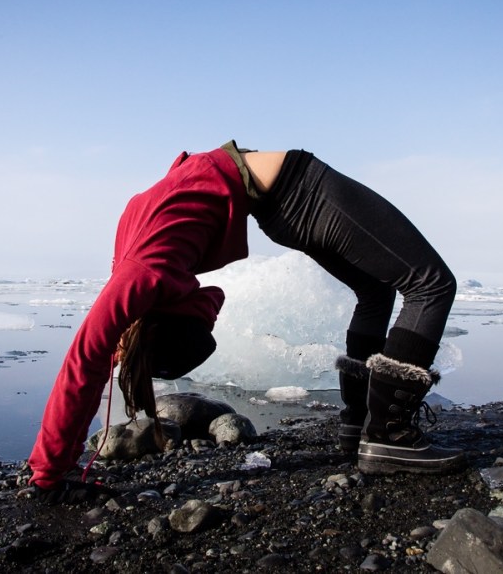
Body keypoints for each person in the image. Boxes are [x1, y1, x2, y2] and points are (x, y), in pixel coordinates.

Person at [27, 140, 463, 491]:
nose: (211, 311)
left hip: (279, 201)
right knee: (431, 284)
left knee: (374, 288)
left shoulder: (137, 283)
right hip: (297, 187)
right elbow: (84, 362)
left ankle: (359, 424)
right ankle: (390, 436)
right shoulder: (141, 273)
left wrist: (48, 468)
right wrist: (49, 471)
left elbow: (88, 357)